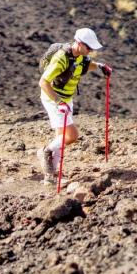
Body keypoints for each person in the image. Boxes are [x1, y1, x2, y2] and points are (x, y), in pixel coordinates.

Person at [36, 28, 112, 184]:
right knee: (72, 136)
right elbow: (43, 82)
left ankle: (50, 177)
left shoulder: (79, 56)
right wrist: (59, 102)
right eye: (88, 47)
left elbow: (86, 65)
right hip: (54, 99)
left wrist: (99, 66)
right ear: (78, 43)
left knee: (61, 138)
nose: (90, 51)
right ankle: (45, 151)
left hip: (66, 98)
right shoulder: (62, 57)